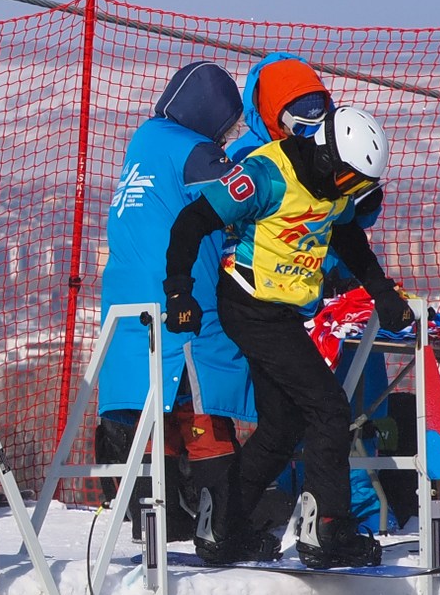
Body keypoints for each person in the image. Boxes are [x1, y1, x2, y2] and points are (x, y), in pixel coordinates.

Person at [162, 100, 411, 568]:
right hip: (249, 304)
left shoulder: (335, 187)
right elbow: (191, 222)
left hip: (283, 312)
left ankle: (222, 527)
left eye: (359, 187)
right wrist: (179, 292)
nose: (347, 192)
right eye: (347, 180)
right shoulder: (266, 175)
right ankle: (327, 530)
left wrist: (382, 293)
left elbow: (348, 236)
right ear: (324, 153)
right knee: (328, 408)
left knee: (282, 426)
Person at [94, 60, 251, 538]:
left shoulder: (144, 140)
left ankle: (158, 520)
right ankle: (220, 522)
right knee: (202, 404)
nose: (226, 136)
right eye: (227, 126)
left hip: (125, 301)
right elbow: (241, 202)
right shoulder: (195, 151)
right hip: (178, 299)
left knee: (154, 406)